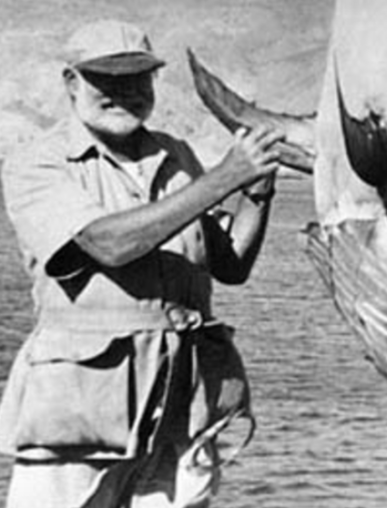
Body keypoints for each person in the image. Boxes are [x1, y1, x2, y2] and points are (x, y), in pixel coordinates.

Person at [0, 19, 284, 507]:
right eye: (105, 79)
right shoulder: (38, 162)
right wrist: (223, 178)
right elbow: (108, 244)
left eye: (137, 78)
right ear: (71, 82)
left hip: (180, 406)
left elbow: (231, 266)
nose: (124, 92)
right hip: (80, 410)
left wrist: (256, 192)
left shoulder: (178, 156)